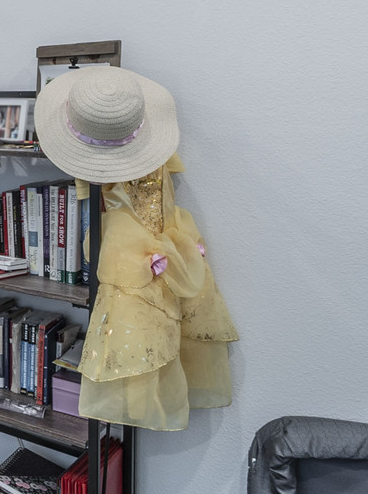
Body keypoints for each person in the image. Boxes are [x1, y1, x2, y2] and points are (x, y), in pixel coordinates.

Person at [35, 66, 239, 431]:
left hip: (142, 245)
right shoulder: (140, 156)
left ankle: (145, 399)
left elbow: (92, 222)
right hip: (137, 244)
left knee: (143, 322)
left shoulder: (133, 164)